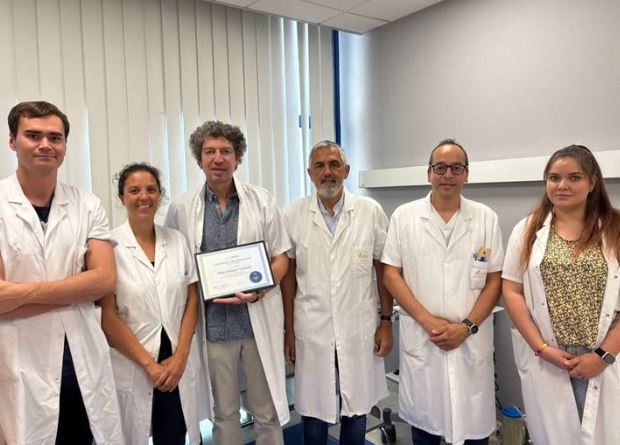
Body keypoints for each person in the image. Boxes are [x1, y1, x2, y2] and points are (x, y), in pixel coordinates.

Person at [0, 101, 123, 444]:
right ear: (12, 141)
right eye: (33, 135)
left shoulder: (87, 204)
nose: (45, 144)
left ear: (65, 147)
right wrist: (76, 292)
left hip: (82, 367)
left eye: (55, 137)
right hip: (21, 365)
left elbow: (105, 280)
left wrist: (20, 295)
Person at [165, 120, 290, 445]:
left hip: (255, 324)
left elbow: (281, 258)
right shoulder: (181, 207)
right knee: (223, 413)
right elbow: (173, 262)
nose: (218, 158)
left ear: (237, 158)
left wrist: (259, 290)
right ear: (199, 158)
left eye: (226, 151)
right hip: (214, 328)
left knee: (266, 411)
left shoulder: (262, 201)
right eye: (210, 151)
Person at [381, 139, 503, 445]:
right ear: (429, 173)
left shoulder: (485, 217)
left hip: (469, 339)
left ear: (466, 174)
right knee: (426, 428)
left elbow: (495, 280)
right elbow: (391, 274)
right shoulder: (404, 216)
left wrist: (467, 327)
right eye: (440, 167)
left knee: (473, 430)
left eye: (456, 168)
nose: (448, 174)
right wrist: (428, 321)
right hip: (425, 338)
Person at [502, 145, 620, 445]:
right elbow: (512, 291)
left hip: (605, 356)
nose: (562, 185)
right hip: (550, 358)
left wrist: (604, 356)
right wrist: (542, 348)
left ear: (592, 182)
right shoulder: (527, 230)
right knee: (554, 437)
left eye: (574, 177)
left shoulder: (616, 229)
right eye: (554, 178)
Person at [281, 140, 393, 445]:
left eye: (334, 164)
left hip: (359, 326)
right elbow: (288, 277)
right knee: (314, 410)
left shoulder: (369, 211)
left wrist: (386, 321)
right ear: (309, 173)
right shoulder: (293, 214)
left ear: (346, 170)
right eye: (320, 166)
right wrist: (289, 330)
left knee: (356, 407)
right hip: (311, 327)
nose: (327, 172)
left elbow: (383, 268)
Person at [98, 163, 210, 444]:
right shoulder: (108, 246)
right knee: (131, 435)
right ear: (122, 197)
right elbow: (107, 315)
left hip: (176, 364)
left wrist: (181, 356)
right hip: (134, 363)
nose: (143, 197)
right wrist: (150, 365)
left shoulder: (177, 240)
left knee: (173, 435)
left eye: (151, 190)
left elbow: (192, 300)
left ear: (160, 196)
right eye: (134, 190)